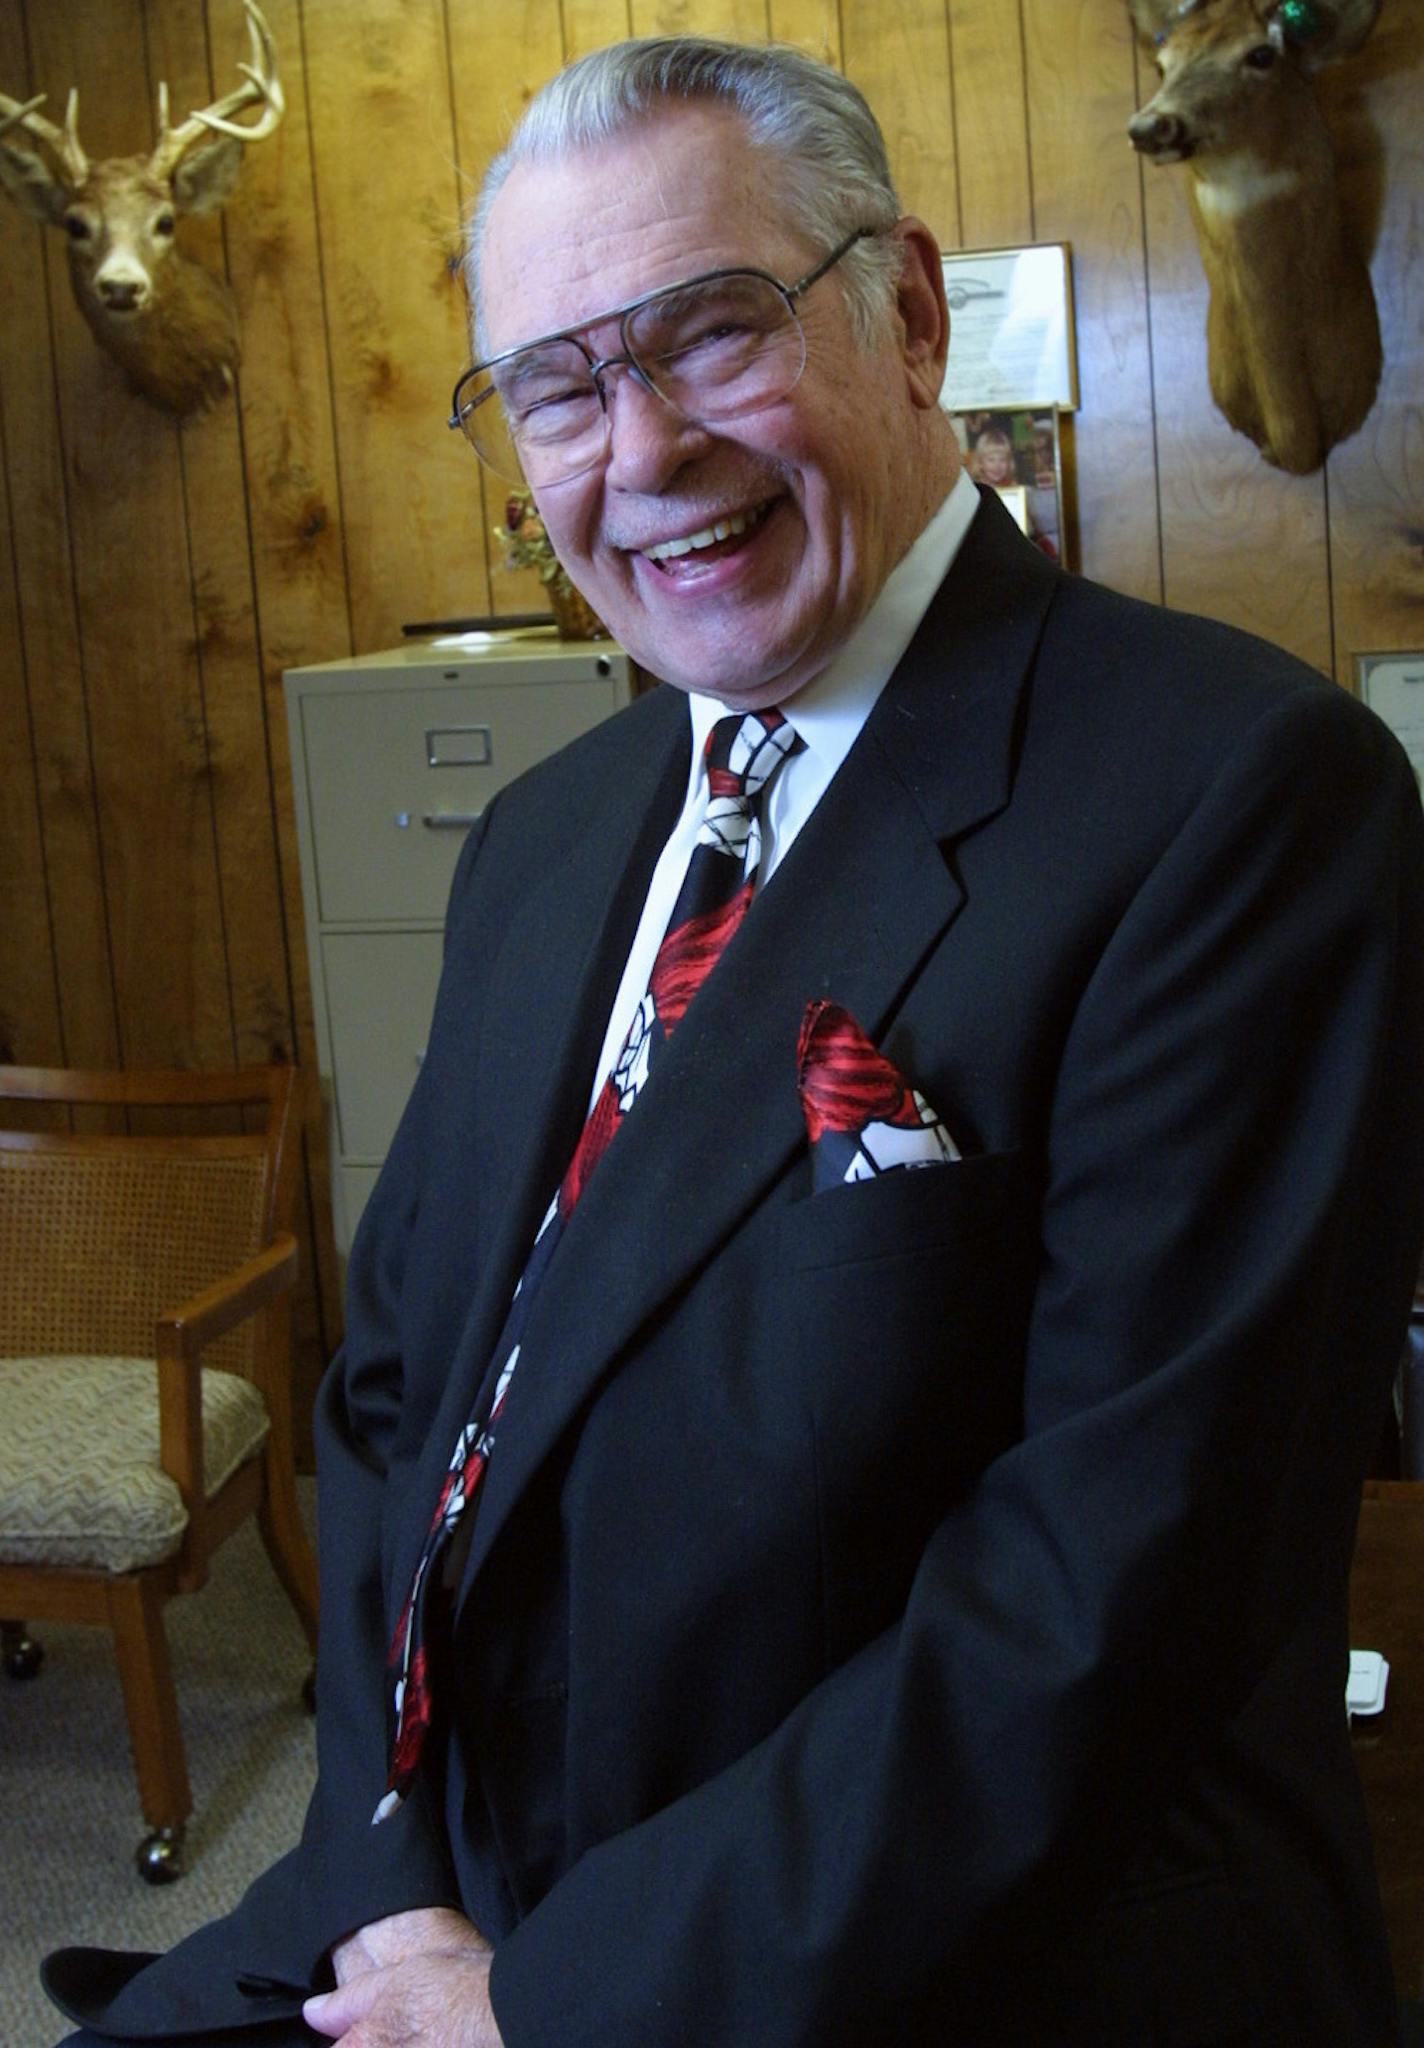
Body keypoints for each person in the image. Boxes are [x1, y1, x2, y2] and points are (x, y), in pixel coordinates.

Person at [45, 34, 1424, 2048]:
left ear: (911, 317)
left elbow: (1110, 1597)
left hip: (896, 1953)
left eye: (706, 337)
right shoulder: (547, 837)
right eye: (556, 386)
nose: (641, 448)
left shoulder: (1240, 801)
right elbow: (400, 1403)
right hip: (459, 1882)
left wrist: (549, 2002)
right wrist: (389, 1862)